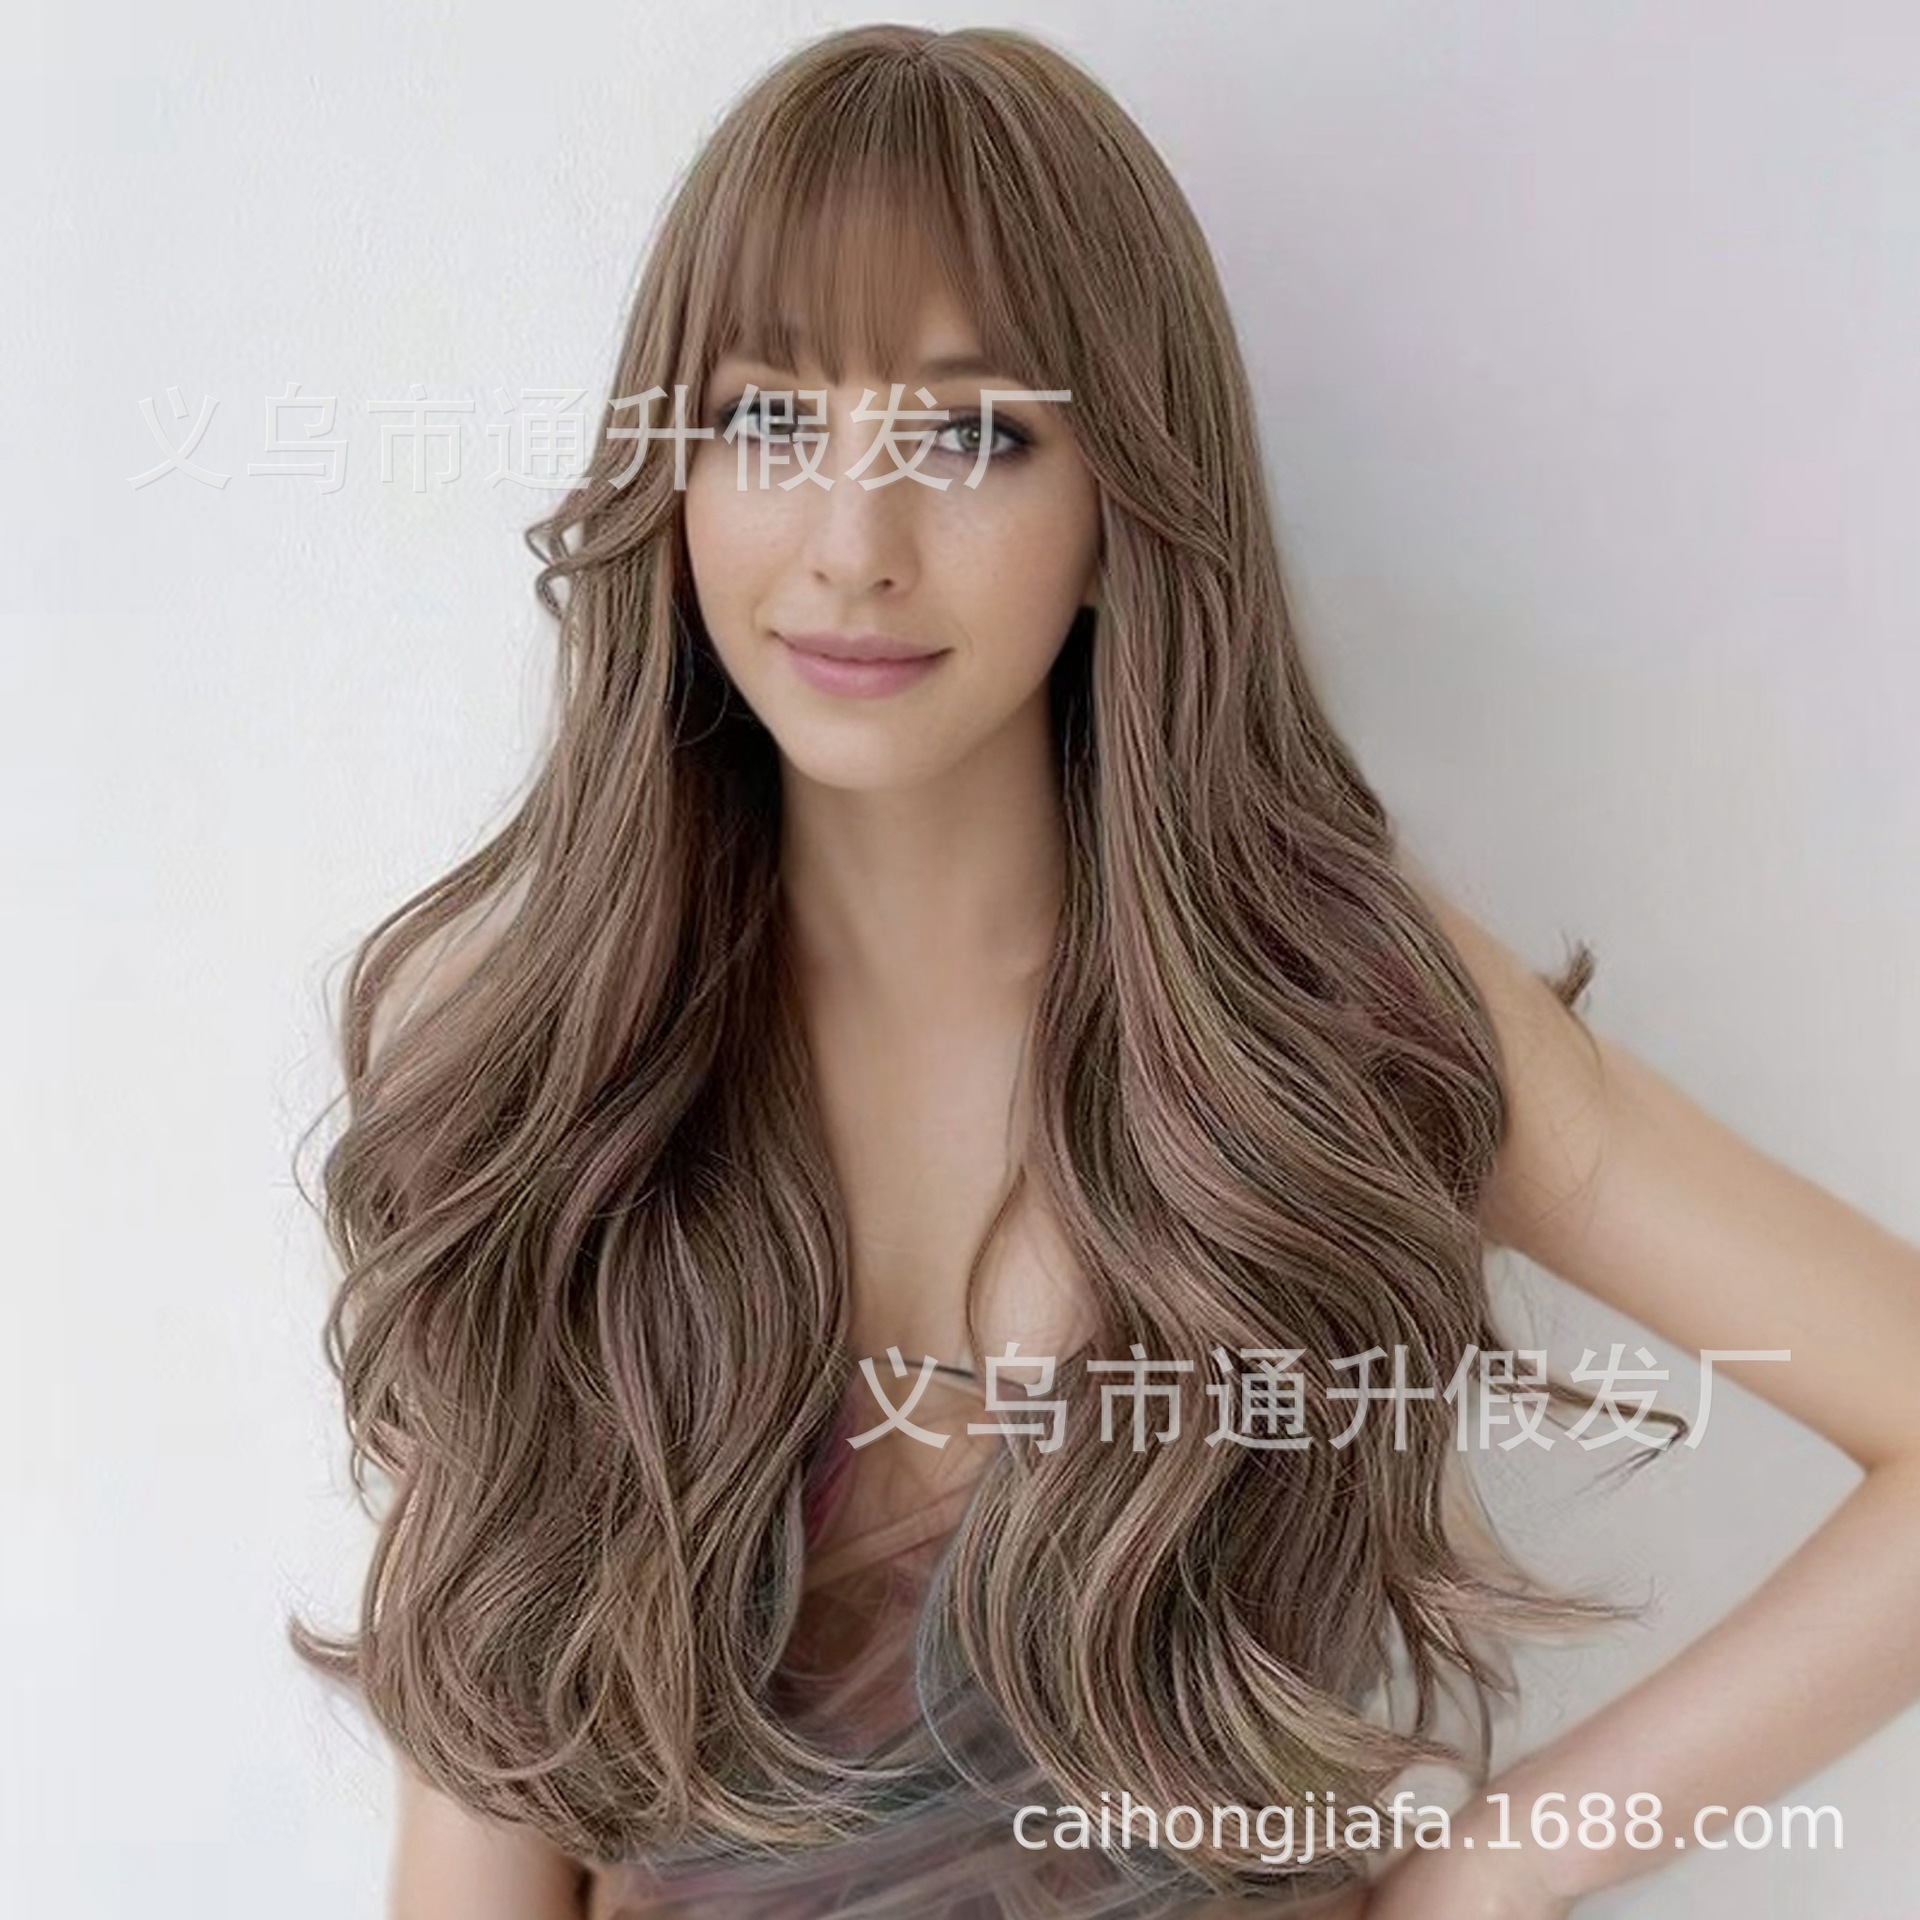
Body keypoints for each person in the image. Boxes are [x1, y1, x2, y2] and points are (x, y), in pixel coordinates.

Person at [291, 23, 1920, 1920]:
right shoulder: (535, 1055)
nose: (853, 547)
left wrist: (1478, 1882)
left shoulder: (1323, 1019)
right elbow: (489, 1788)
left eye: (976, 433)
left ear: (1117, 508)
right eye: (768, 418)